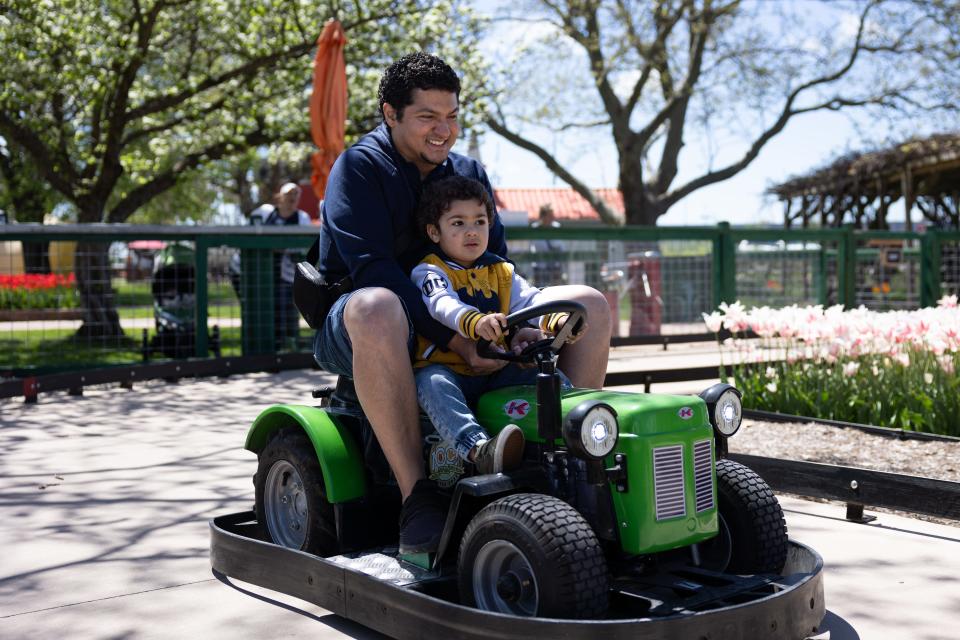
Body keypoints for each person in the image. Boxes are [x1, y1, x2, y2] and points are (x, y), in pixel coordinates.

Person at [313, 52, 611, 554]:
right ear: (391, 114)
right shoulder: (359, 168)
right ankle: (417, 497)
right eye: (427, 116)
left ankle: (571, 456)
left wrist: (518, 327)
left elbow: (499, 264)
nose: (442, 130)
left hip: (465, 321)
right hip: (364, 325)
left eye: (451, 116)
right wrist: (457, 338)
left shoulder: (467, 171)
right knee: (377, 305)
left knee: (591, 302)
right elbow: (373, 270)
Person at [411, 176, 575, 477]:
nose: (471, 231)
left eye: (480, 222)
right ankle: (478, 449)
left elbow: (529, 300)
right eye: (458, 223)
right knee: (430, 382)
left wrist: (555, 320)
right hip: (450, 370)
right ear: (435, 232)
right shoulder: (430, 270)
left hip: (496, 367)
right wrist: (475, 322)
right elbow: (442, 305)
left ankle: (581, 429)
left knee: (545, 372)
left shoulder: (501, 271)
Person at [252, 182, 311, 348]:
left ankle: (290, 343)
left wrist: (280, 247)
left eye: (296, 194)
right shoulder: (267, 214)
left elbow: (302, 244)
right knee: (267, 309)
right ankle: (270, 346)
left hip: (289, 273)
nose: (292, 197)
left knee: (289, 310)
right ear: (280, 196)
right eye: (289, 194)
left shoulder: (302, 217)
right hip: (266, 272)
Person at [530, 203, 566, 286]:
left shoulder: (557, 227)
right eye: (550, 215)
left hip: (555, 267)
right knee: (540, 290)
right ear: (542, 216)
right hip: (540, 266)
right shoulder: (534, 229)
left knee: (555, 290)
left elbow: (561, 247)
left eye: (552, 215)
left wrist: (561, 266)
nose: (553, 218)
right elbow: (530, 247)